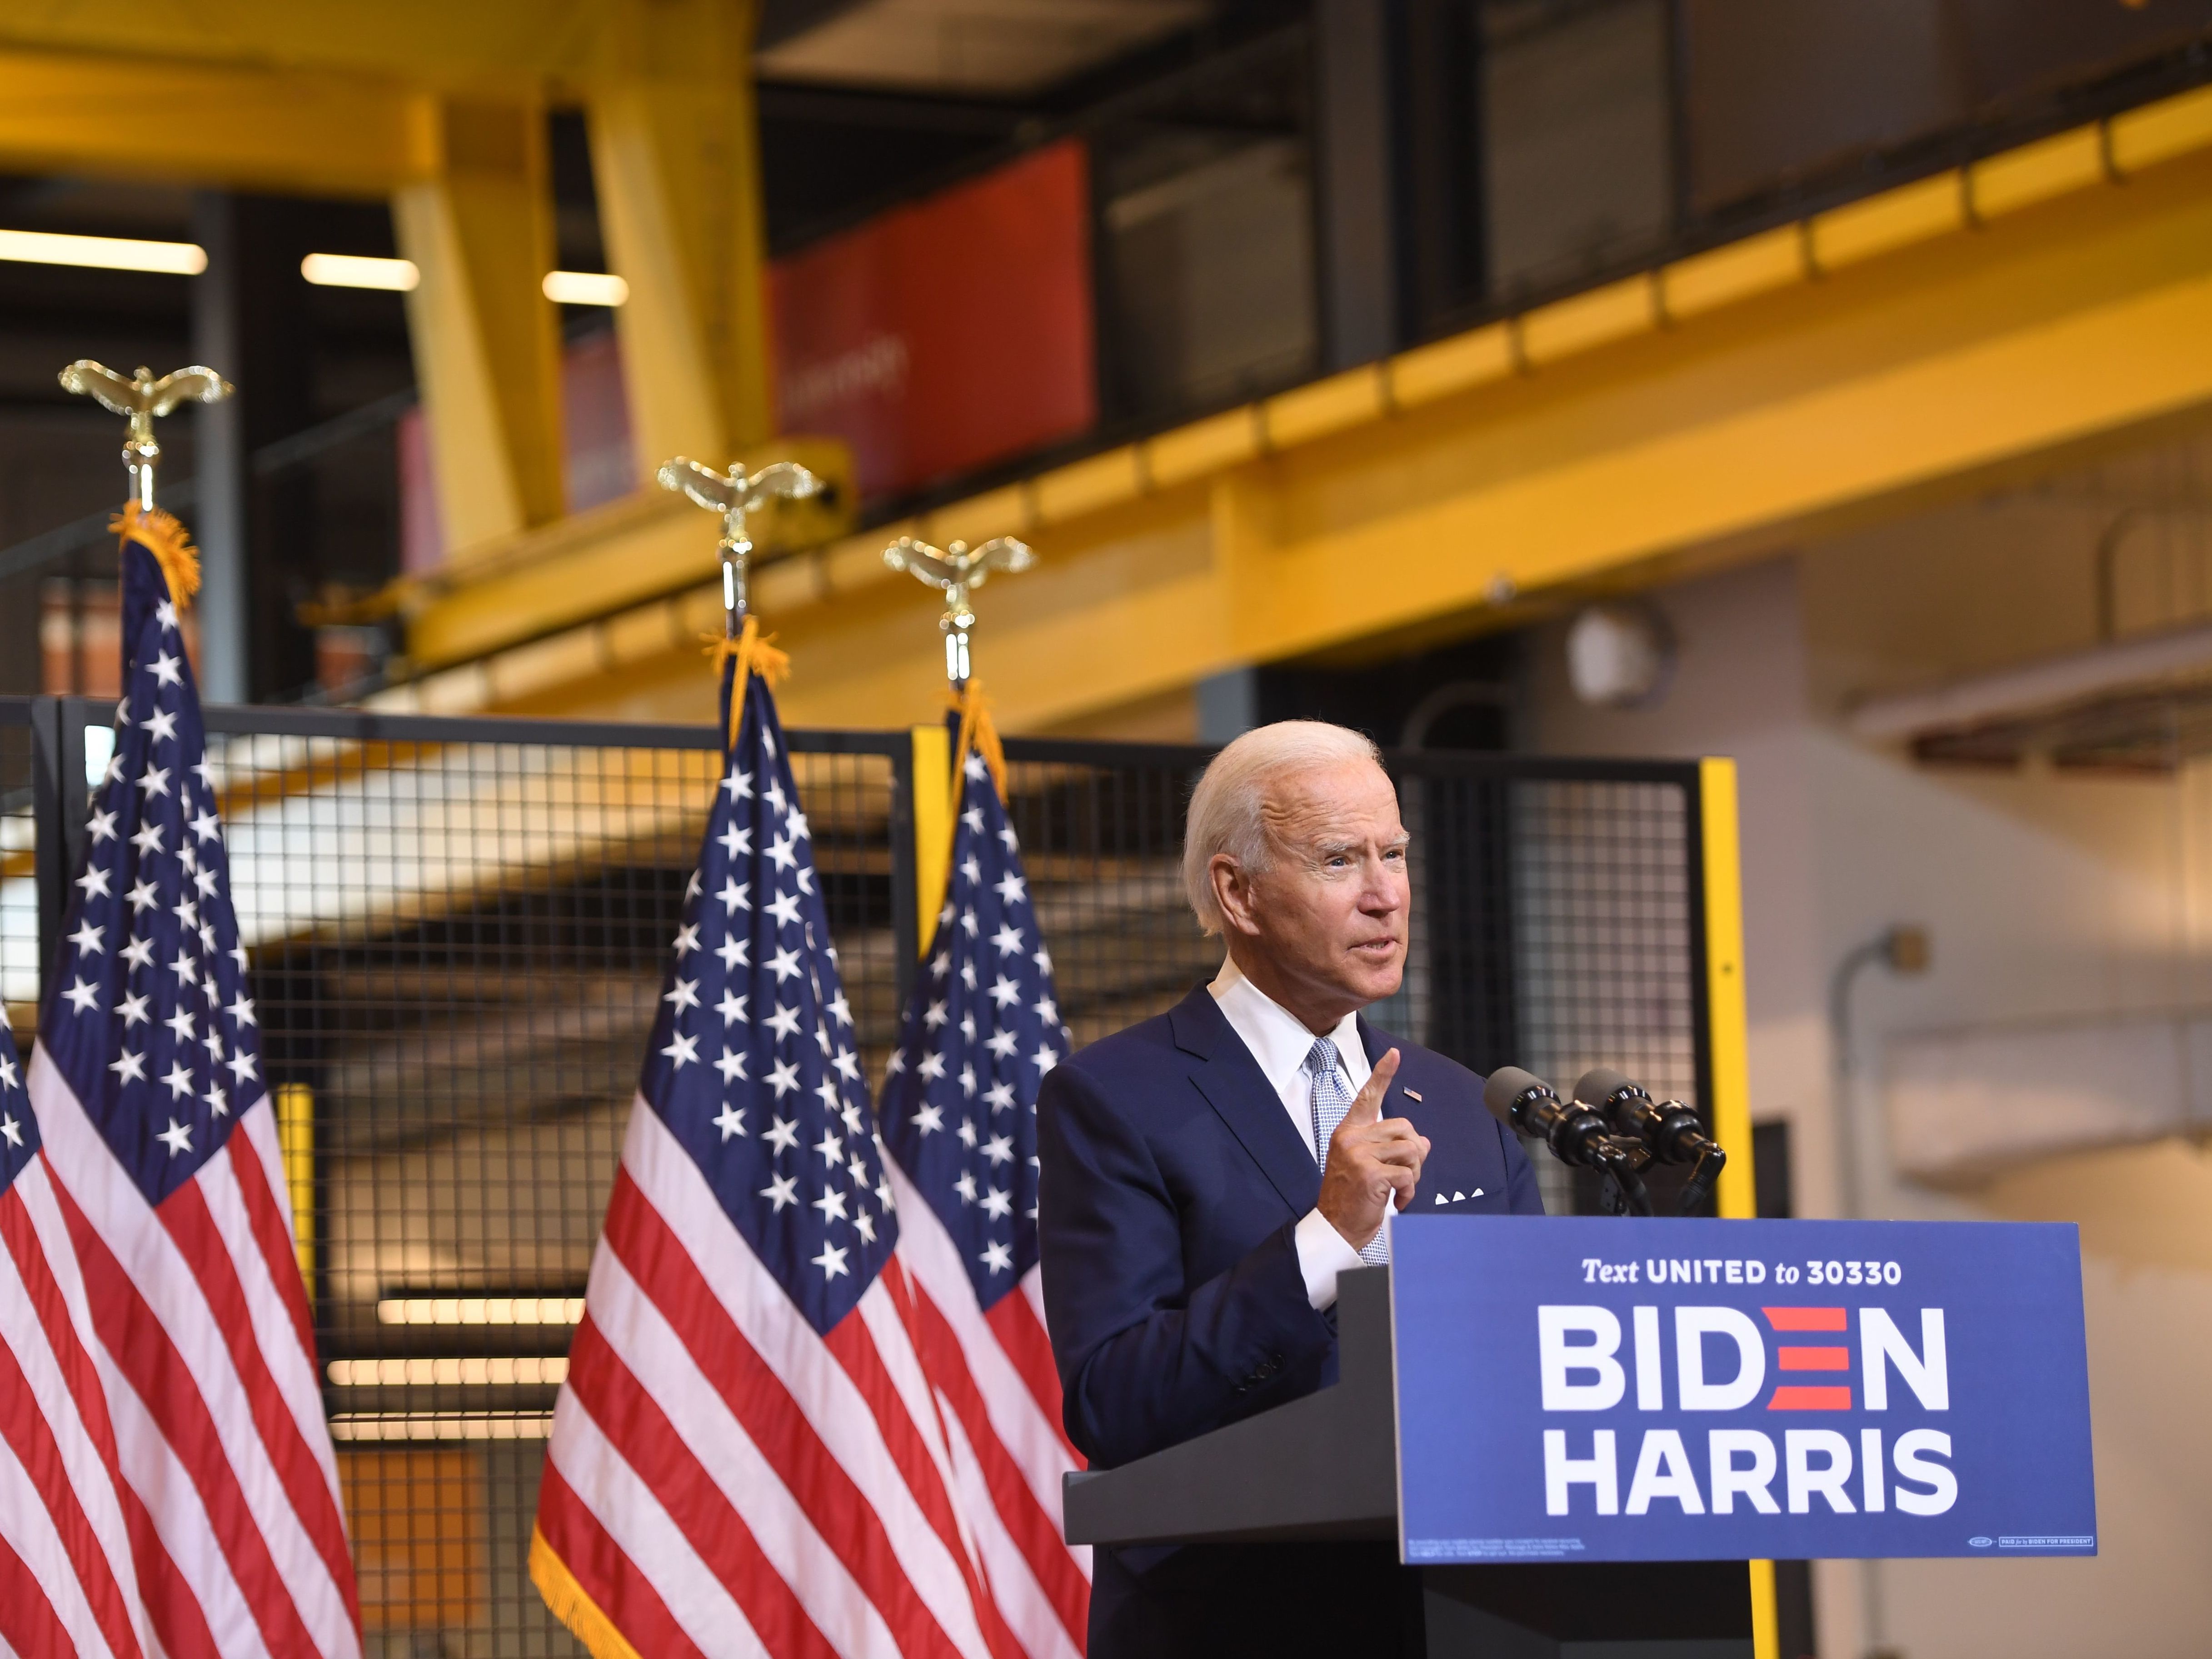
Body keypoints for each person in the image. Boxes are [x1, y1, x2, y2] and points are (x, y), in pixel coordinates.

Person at [1037, 719, 1546, 1657]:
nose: (1385, 894)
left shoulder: (1470, 1109)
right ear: (1237, 891)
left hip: (1475, 1618)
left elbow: (1529, 1374)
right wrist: (1323, 1238)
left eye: (1393, 853)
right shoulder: (1116, 1099)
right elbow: (1114, 1402)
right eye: (1339, 859)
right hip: (1231, 1623)